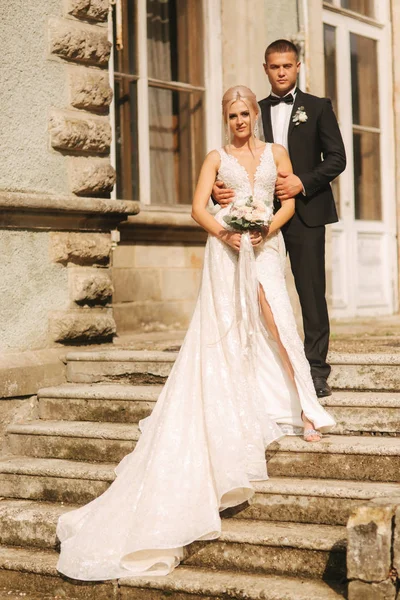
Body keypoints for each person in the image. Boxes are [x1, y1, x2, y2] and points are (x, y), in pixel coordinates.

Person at [56, 86, 335, 583]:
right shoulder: (216, 157)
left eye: (246, 113)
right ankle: (241, 396)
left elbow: (288, 198)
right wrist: (228, 233)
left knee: (279, 321)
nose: (240, 121)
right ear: (226, 118)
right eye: (232, 115)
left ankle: (306, 408)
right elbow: (196, 208)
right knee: (232, 326)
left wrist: (266, 229)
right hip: (228, 249)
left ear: (255, 114)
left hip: (265, 246)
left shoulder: (276, 152)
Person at [213, 40, 346, 399]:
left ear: (298, 66)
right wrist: (218, 192)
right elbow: (233, 160)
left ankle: (315, 371)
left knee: (310, 294)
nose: (282, 71)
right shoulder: (253, 111)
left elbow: (337, 158)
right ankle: (261, 368)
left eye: (288, 65)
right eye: (275, 67)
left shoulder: (318, 107)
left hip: (307, 213)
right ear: (266, 69)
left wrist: (304, 181)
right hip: (256, 216)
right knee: (258, 292)